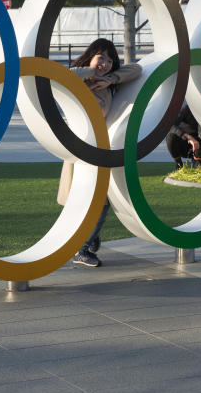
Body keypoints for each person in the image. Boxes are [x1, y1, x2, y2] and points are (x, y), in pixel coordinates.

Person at [57, 38, 141, 267]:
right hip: (81, 149)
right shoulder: (78, 80)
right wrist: (91, 72)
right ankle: (83, 247)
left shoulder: (109, 82)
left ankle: (87, 240)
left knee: (100, 201)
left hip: (99, 150)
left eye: (110, 59)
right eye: (100, 57)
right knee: (89, 201)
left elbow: (137, 68)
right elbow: (64, 74)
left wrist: (110, 79)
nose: (105, 62)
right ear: (90, 57)